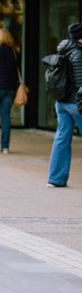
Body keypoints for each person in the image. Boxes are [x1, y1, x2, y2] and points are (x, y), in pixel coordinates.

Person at [48, 23, 82, 188]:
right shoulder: (78, 54)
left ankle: (56, 179)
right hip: (77, 104)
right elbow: (80, 82)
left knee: (61, 139)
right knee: (62, 139)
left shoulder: (63, 52)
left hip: (61, 103)